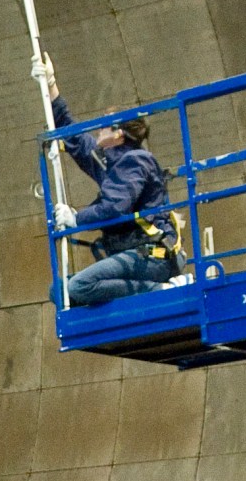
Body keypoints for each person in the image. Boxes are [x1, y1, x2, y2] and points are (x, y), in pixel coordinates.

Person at [38, 55, 180, 306]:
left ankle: (160, 288)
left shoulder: (136, 161)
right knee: (58, 291)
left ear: (118, 133)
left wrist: (77, 218)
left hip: (151, 256)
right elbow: (76, 139)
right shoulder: (110, 162)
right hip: (129, 254)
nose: (99, 127)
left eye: (105, 123)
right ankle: (152, 289)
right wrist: (51, 84)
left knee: (80, 286)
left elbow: (116, 206)